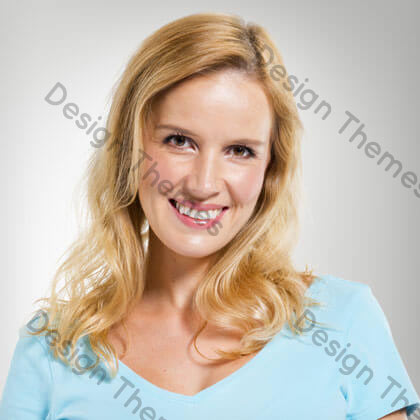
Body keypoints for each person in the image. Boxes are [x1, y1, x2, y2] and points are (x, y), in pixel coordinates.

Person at [0, 12, 418, 420]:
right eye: (179, 141)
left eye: (240, 150)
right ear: (129, 150)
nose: (202, 184)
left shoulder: (343, 322)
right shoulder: (52, 349)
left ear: (270, 168)